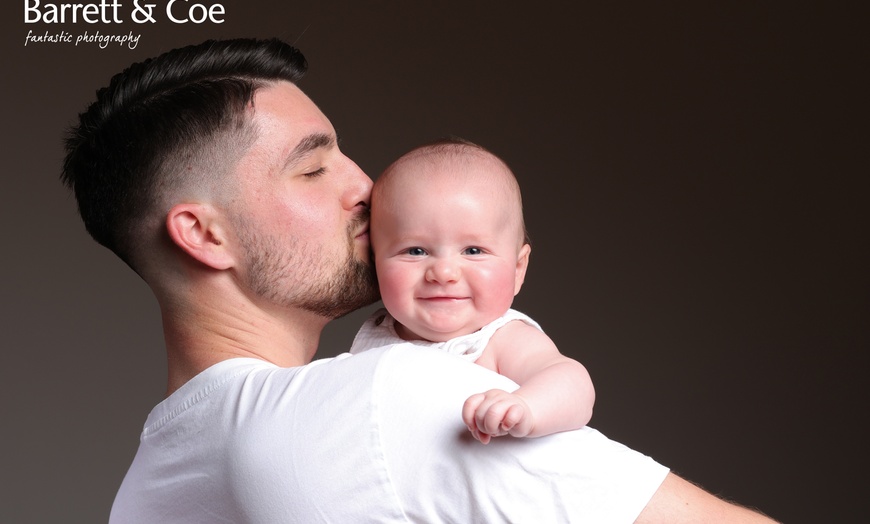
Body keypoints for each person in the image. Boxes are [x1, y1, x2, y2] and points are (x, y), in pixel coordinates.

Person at [62, 38, 777, 522]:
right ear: (203, 235)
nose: (366, 188)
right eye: (313, 169)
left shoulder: (146, 489)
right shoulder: (385, 398)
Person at [350, 139, 595, 444]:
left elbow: (572, 383)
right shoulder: (373, 338)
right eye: (415, 251)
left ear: (518, 269)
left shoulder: (500, 338)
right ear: (375, 262)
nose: (444, 272)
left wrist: (524, 406)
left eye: (473, 250)